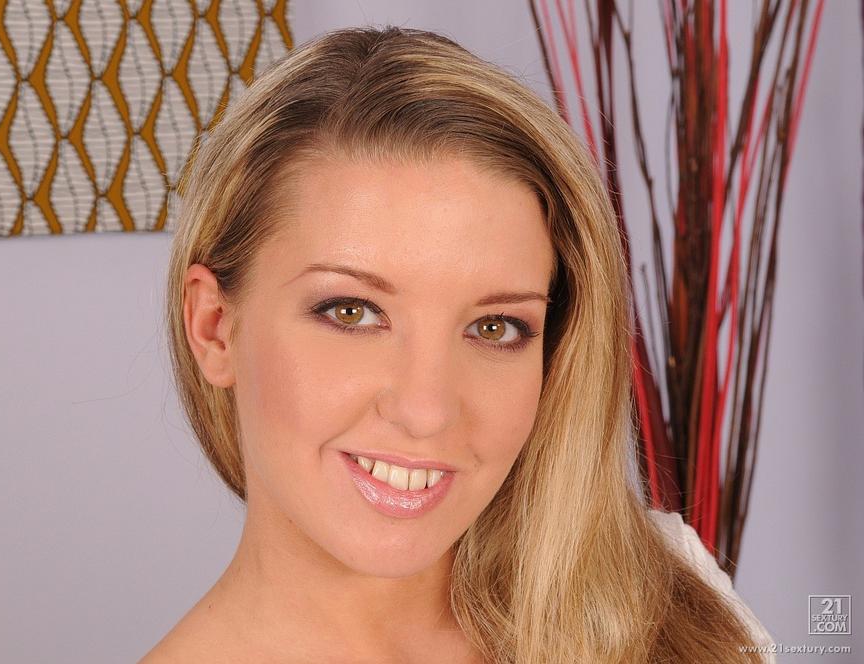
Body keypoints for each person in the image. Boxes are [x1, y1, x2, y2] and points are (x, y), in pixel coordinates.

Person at [143, 26, 774, 664]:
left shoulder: (672, 601)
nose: (427, 411)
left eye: (495, 327)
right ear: (214, 327)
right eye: (352, 312)